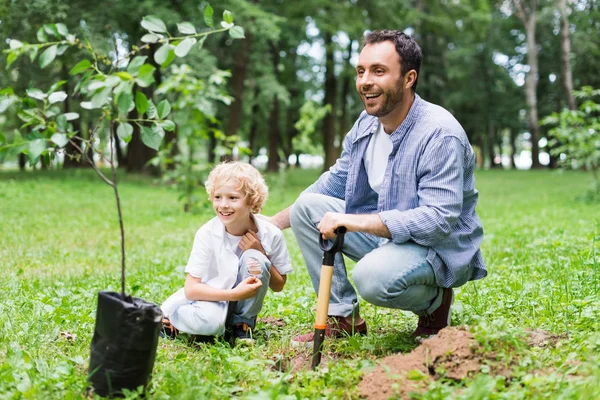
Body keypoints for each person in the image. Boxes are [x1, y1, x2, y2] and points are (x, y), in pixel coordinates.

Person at [267, 30, 486, 342]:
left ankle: (436, 303)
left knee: (371, 278)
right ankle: (343, 318)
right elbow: (333, 183)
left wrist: (356, 221)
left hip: (437, 248)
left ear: (409, 78)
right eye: (361, 71)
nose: (365, 81)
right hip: (391, 237)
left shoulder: (440, 134)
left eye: (378, 71)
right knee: (307, 207)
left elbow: (438, 220)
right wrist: (271, 225)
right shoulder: (366, 124)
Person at [161, 162, 292, 343]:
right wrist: (235, 294)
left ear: (251, 201)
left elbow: (278, 286)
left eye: (232, 198)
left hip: (242, 302)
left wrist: (260, 251)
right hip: (210, 297)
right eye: (217, 197)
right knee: (211, 324)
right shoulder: (206, 234)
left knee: (254, 259)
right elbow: (191, 289)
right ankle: (171, 318)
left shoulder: (271, 234)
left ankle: (242, 325)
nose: (223, 205)